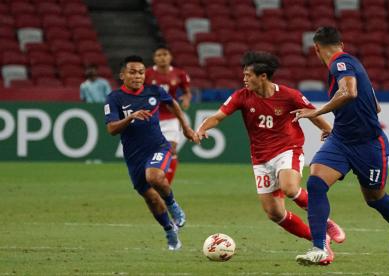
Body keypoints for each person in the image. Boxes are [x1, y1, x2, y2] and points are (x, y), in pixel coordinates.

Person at [196, 51, 346, 264]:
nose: (244, 79)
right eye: (244, 75)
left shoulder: (289, 95)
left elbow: (311, 112)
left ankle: (325, 224)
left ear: (263, 76)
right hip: (260, 158)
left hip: (288, 149)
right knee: (275, 213)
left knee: (289, 187)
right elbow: (218, 116)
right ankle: (320, 239)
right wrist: (203, 127)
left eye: (249, 75)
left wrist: (328, 130)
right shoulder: (241, 96)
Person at [293, 26, 389, 266]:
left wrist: (316, 111)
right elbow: (375, 106)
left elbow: (349, 92)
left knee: (374, 198)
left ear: (316, 49)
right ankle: (319, 248)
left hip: (368, 145)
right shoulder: (353, 63)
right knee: (315, 183)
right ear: (341, 44)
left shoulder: (340, 64)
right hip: (341, 140)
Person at [104, 55, 199, 250]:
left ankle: (174, 206)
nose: (137, 76)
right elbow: (112, 129)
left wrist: (186, 128)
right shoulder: (114, 98)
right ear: (122, 75)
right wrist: (130, 117)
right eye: (132, 72)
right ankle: (169, 230)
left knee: (154, 176)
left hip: (158, 147)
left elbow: (173, 104)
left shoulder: (154, 91)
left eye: (141, 72)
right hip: (134, 157)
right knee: (152, 198)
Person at [145, 46, 192, 186]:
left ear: (170, 57)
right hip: (151, 118)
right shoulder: (147, 74)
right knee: (152, 152)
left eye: (165, 54)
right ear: (154, 58)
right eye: (159, 55)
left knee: (171, 149)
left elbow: (187, 91)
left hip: (171, 118)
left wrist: (186, 98)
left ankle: (166, 185)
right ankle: (152, 179)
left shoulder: (179, 74)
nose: (162, 57)